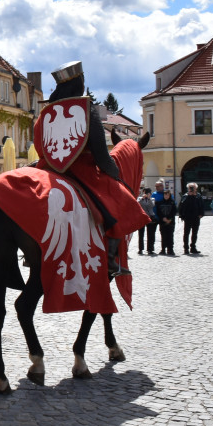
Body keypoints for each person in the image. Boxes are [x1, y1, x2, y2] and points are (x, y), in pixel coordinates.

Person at [40, 62, 149, 277]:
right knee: (124, 203)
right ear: (80, 83)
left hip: (49, 169)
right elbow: (101, 155)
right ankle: (109, 260)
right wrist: (115, 174)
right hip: (81, 171)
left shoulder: (47, 111)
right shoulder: (85, 109)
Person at [178, 182, 205, 254]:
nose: (192, 189)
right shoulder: (185, 196)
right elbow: (181, 206)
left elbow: (202, 205)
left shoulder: (198, 196)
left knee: (195, 233)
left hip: (196, 217)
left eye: (193, 188)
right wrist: (189, 196)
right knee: (186, 233)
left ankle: (193, 247)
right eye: (190, 188)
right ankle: (186, 248)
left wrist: (201, 214)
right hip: (187, 217)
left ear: (196, 188)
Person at [155, 189, 177, 256]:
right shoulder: (160, 203)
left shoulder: (172, 203)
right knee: (163, 236)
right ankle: (163, 249)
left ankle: (170, 249)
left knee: (170, 236)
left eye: (167, 195)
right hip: (162, 222)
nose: (166, 196)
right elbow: (158, 212)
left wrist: (169, 219)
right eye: (165, 194)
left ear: (169, 195)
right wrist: (163, 218)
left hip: (171, 222)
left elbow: (174, 212)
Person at [137, 187, 156, 255]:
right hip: (142, 217)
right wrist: (142, 198)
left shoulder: (152, 199)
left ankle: (150, 249)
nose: (147, 194)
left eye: (148, 193)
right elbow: (137, 204)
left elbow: (152, 205)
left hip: (150, 217)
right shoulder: (139, 199)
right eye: (145, 193)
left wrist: (148, 198)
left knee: (150, 234)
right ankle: (140, 249)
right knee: (141, 234)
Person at [148, 179, 166, 254]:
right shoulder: (154, 194)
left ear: (162, 186)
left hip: (163, 217)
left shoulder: (166, 193)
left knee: (164, 234)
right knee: (151, 234)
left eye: (158, 186)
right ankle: (150, 249)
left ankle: (164, 249)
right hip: (154, 216)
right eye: (156, 186)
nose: (157, 188)